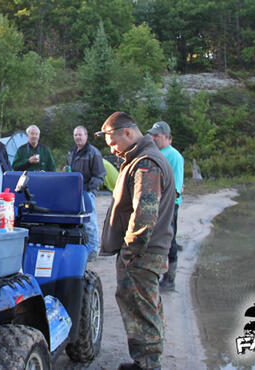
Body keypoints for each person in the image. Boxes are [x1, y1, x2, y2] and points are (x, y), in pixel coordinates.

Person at [96, 112, 176, 370]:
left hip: (143, 255)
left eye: (112, 140)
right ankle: (144, 361)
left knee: (143, 310)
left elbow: (144, 216)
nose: (111, 147)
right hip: (145, 254)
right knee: (144, 308)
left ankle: (149, 365)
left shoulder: (146, 163)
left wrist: (130, 252)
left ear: (128, 133)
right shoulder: (139, 159)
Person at [147, 121, 184, 292]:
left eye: (157, 136)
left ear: (168, 137)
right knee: (159, 239)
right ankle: (160, 274)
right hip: (158, 204)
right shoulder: (158, 153)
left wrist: (170, 200)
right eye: (152, 135)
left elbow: (176, 185)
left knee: (169, 239)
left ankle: (170, 279)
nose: (153, 138)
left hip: (169, 205)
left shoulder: (173, 155)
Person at [67, 125, 106, 258]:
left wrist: (90, 189)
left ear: (86, 136)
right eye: (75, 135)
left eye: (80, 135)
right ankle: (83, 248)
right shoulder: (71, 152)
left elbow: (100, 174)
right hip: (73, 193)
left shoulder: (93, 152)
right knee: (78, 222)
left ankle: (93, 250)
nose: (77, 137)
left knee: (90, 223)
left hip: (87, 192)